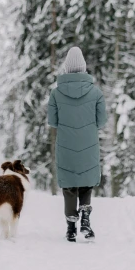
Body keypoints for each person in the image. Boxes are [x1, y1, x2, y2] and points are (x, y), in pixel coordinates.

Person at [47, 46, 107, 242]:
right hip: (89, 143)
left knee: (70, 185)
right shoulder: (96, 93)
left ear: (66, 68)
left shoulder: (56, 94)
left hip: (65, 144)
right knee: (86, 182)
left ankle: (71, 227)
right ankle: (86, 220)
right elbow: (102, 122)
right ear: (83, 68)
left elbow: (53, 122)